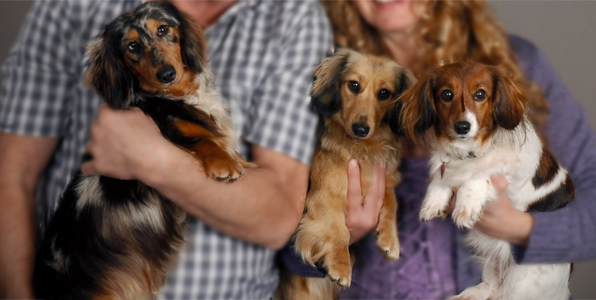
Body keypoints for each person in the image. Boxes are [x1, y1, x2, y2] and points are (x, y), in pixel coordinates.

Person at [0, 1, 333, 298]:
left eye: (163, 34)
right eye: (135, 48)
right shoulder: (67, 8)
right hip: (84, 279)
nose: (159, 62)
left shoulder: (296, 16)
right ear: (122, 66)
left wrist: (154, 160)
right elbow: (11, 175)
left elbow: (279, 211)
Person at [284, 0, 596, 298]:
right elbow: (270, 244)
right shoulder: (325, 80)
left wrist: (518, 227)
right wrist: (339, 234)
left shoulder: (519, 64)